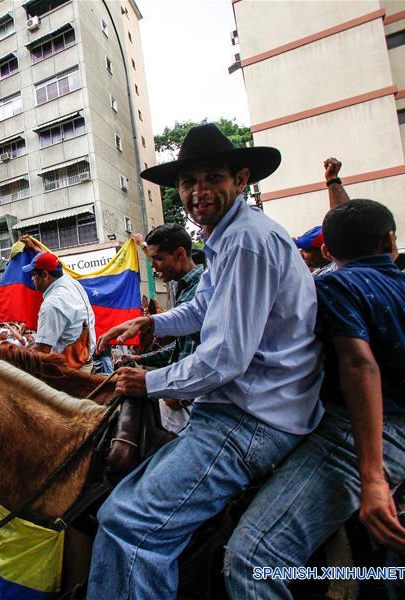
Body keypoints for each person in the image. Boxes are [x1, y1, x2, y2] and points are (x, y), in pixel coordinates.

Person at [87, 123, 323, 599]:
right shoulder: (227, 237)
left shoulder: (246, 241)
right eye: (188, 182)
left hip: (250, 417)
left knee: (125, 522)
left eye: (211, 178)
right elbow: (203, 309)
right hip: (242, 407)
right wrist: (151, 325)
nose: (198, 192)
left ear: (239, 179)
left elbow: (224, 358)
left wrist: (146, 383)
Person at [225, 200, 405, 598]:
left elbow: (358, 364)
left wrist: (373, 477)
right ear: (391, 242)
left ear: (328, 254)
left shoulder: (333, 286)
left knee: (253, 560)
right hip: (400, 438)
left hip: (350, 440)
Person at [124, 224, 205, 434]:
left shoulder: (201, 289)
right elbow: (182, 346)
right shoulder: (182, 287)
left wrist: (181, 394)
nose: (154, 267)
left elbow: (208, 354)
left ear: (180, 254)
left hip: (197, 402)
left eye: (158, 259)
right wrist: (142, 360)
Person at [23, 251, 97, 361]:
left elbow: (43, 349)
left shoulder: (52, 304)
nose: (31, 279)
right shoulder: (71, 282)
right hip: (84, 360)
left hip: (67, 371)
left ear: (45, 275)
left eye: (33, 274)